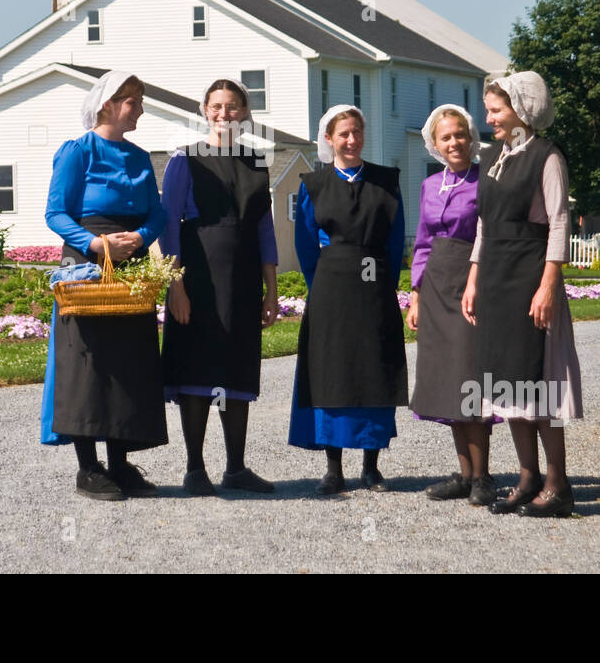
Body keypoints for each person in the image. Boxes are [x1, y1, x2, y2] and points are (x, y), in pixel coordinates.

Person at [41, 70, 168, 501]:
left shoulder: (138, 157)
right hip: (86, 264)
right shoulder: (77, 153)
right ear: (109, 104)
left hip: (128, 264)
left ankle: (120, 465)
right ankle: (87, 470)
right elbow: (56, 213)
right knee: (87, 363)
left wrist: (141, 237)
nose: (141, 109)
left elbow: (158, 213)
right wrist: (96, 243)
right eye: (134, 101)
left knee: (128, 363)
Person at [461, 71, 583, 517]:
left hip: (530, 275)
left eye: (495, 109)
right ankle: (527, 476)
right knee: (506, 381)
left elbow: (558, 222)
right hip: (494, 277)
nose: (488, 117)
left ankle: (558, 483)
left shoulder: (547, 158)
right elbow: (482, 224)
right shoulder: (495, 156)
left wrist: (549, 284)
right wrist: (474, 278)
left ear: (520, 110)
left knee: (538, 381)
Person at [160, 79, 280, 495]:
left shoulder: (256, 162)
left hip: (244, 277)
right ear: (204, 110)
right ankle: (195, 469)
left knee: (235, 368)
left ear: (244, 112)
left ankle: (236, 468)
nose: (224, 114)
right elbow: (168, 228)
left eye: (232, 107)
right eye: (217, 106)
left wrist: (271, 288)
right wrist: (175, 286)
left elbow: (265, 228)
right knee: (197, 368)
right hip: (197, 276)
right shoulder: (185, 160)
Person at [289, 104, 407, 494]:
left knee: (373, 368)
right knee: (332, 371)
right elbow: (305, 244)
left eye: (357, 132)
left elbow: (393, 241)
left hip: (374, 288)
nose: (352, 140)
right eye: (344, 134)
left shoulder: (386, 182)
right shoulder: (314, 184)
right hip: (331, 286)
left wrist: (382, 285)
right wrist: (321, 283)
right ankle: (333, 467)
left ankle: (371, 467)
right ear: (329, 139)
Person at [406, 104, 497, 506]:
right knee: (446, 380)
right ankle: (464, 474)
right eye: (446, 137)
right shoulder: (429, 186)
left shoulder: (486, 181)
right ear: (435, 143)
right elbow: (423, 243)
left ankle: (483, 477)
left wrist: (478, 283)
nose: (454, 142)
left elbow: (491, 235)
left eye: (460, 134)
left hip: (472, 282)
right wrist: (416, 295)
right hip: (436, 287)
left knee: (469, 378)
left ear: (471, 137)